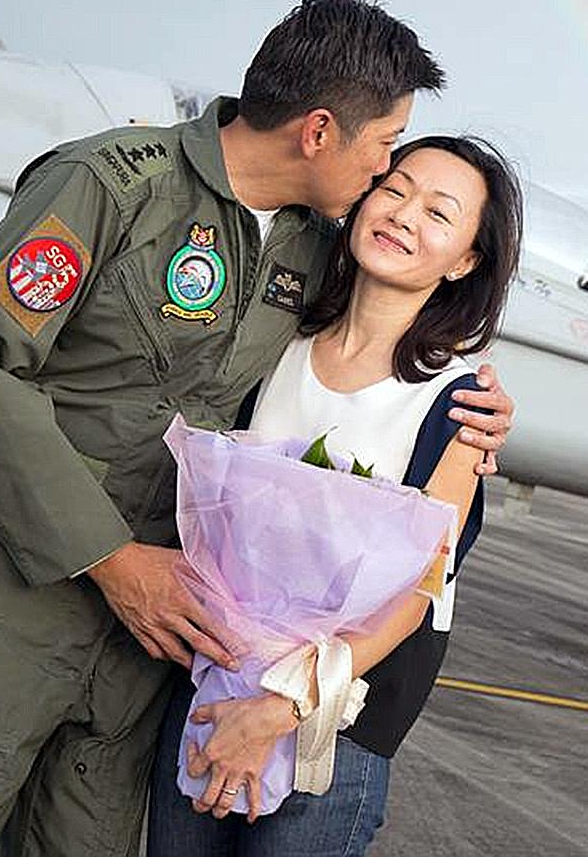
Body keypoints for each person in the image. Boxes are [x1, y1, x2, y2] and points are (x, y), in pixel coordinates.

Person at [0, 0, 516, 857]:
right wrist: (90, 539)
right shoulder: (109, 187)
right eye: (384, 149)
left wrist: (474, 406)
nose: (384, 176)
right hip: (4, 613)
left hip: (145, 659)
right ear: (319, 131)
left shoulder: (311, 252)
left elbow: (343, 363)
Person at [144, 134, 522, 856]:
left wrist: (282, 707)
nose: (404, 215)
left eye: (438, 213)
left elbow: (419, 589)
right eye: (395, 189)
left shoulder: (459, 403)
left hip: (333, 733)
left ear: (466, 261)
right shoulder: (271, 346)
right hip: (209, 694)